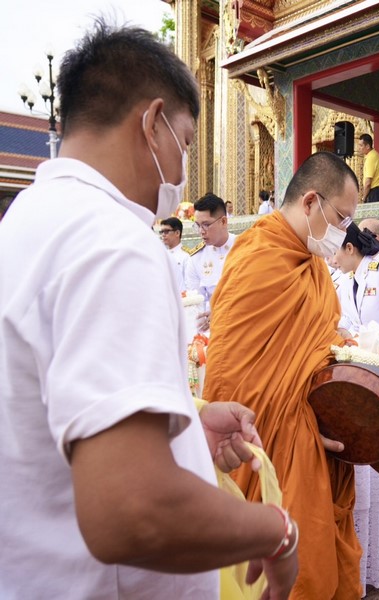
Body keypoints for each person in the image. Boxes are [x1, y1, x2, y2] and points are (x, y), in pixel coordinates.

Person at [0, 22, 298, 599]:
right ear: (151, 122)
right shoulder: (115, 241)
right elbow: (131, 509)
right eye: (184, 142)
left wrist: (182, 431)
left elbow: (52, 403)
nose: (183, 170)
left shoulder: (23, 224)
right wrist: (275, 529)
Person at [202, 151, 366, 598]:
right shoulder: (256, 257)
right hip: (266, 439)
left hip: (311, 430)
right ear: (311, 202)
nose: (345, 232)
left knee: (314, 562)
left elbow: (318, 340)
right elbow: (228, 371)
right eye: (342, 217)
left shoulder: (313, 264)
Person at [184, 193, 237, 332]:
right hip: (212, 331)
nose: (201, 232)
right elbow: (195, 303)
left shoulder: (245, 246)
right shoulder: (196, 259)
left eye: (206, 225)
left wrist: (220, 313)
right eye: (198, 226)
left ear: (224, 221)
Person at [159, 216, 189, 290]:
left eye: (166, 231)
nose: (163, 235)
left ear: (177, 233)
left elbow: (189, 283)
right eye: (161, 232)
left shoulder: (186, 256)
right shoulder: (161, 255)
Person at [357, 133, 379, 203]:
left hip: (375, 194)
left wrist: (363, 198)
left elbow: (368, 182)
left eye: (361, 145)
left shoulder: (371, 157)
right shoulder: (372, 155)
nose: (359, 148)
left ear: (367, 146)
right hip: (377, 192)